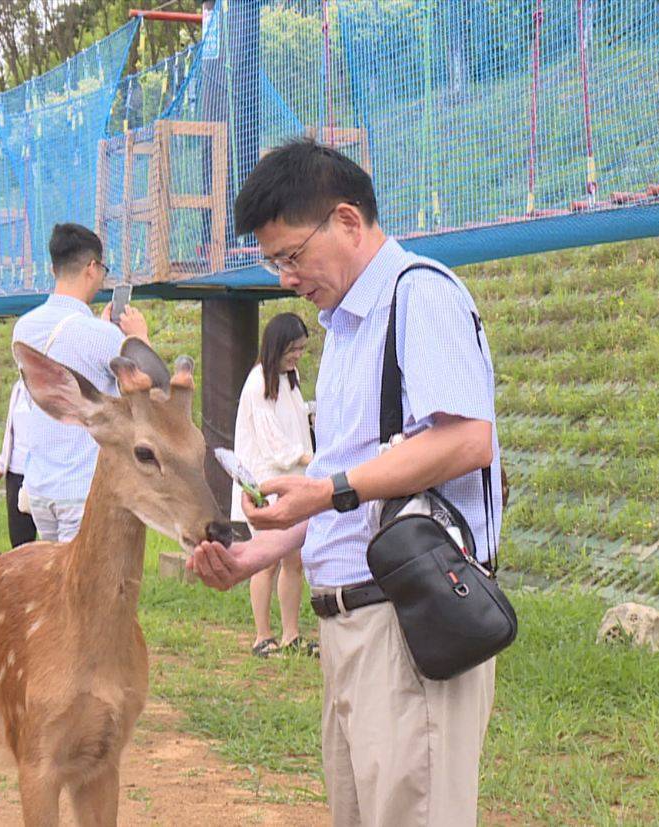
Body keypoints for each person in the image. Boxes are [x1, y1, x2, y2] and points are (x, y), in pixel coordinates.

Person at [187, 139, 503, 826]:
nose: (286, 277)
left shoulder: (420, 296)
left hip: (407, 625)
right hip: (351, 630)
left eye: (292, 255)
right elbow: (355, 490)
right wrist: (258, 552)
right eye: (276, 261)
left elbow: (466, 438)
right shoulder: (349, 330)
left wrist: (330, 490)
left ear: (349, 222)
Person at [9, 222, 149, 542]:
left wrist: (104, 331)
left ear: (53, 267)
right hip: (83, 489)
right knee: (82, 590)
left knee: (52, 585)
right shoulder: (103, 336)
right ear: (92, 267)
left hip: (41, 488)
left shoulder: (24, 328)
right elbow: (147, 383)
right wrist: (139, 337)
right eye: (102, 269)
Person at [233, 312, 315, 657]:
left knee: (293, 559)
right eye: (292, 349)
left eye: (300, 349)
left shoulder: (289, 378)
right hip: (266, 485)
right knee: (266, 559)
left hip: (293, 481)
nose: (297, 355)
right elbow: (274, 444)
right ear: (276, 346)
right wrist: (311, 460)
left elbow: (296, 423)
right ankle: (262, 636)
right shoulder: (257, 383)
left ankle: (291, 634)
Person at [0, 376, 38, 547]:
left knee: (53, 541)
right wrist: (1, 466)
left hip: (44, 473)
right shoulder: (18, 387)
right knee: (20, 540)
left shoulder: (51, 385)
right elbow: (11, 430)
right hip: (16, 472)